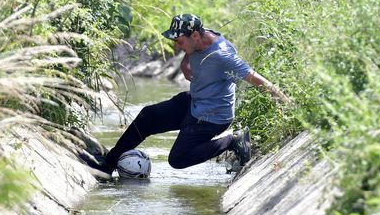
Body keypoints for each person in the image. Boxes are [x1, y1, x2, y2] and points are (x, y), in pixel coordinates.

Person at [88, 14, 291, 176]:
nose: (177, 47)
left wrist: (287, 103)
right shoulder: (200, 36)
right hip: (195, 102)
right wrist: (185, 61)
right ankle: (108, 164)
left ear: (194, 36)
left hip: (211, 117)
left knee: (178, 159)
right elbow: (191, 48)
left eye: (179, 42)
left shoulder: (223, 56)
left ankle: (233, 140)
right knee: (148, 116)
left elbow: (256, 78)